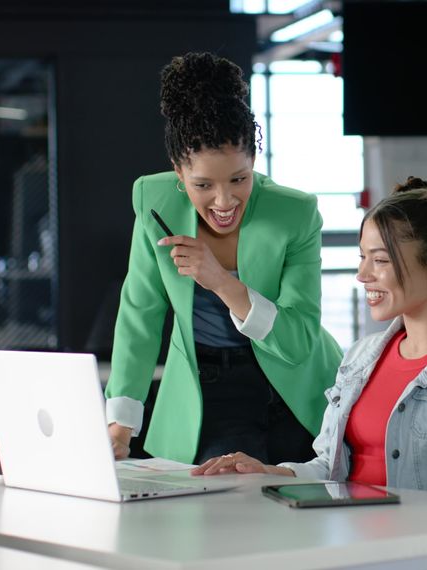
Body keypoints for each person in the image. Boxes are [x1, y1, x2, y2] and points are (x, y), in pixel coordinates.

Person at [191, 177, 427, 499]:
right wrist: (268, 472)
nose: (362, 275)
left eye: (380, 260)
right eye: (362, 258)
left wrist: (416, 523)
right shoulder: (361, 356)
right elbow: (329, 469)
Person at [104, 52, 343, 466]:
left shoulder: (294, 213)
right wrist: (121, 423)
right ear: (179, 173)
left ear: (254, 162)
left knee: (310, 513)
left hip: (300, 389)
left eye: (239, 179)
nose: (224, 200)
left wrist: (221, 282)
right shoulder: (153, 201)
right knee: (225, 512)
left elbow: (300, 339)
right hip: (211, 391)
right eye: (203, 184)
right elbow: (139, 314)